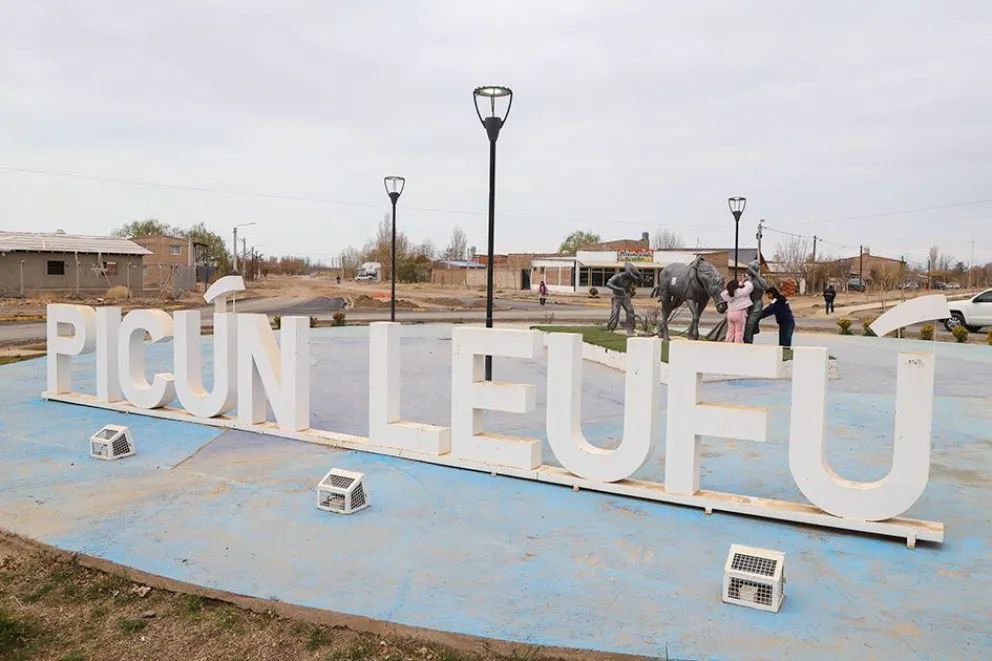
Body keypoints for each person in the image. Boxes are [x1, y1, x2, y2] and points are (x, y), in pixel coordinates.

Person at [605, 262, 642, 335]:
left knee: (630, 311)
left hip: (625, 297)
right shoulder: (618, 276)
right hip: (616, 297)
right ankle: (611, 328)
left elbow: (634, 285)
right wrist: (618, 289)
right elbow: (608, 284)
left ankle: (630, 329)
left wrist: (631, 293)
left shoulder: (630, 280)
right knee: (615, 313)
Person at [720, 278, 754, 343]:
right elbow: (750, 287)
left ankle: (728, 343)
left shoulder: (727, 294)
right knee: (739, 331)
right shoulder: (740, 292)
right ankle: (738, 345)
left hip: (730, 314)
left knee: (730, 330)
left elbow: (725, 292)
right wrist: (744, 282)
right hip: (739, 313)